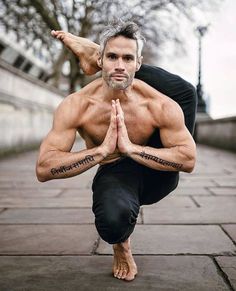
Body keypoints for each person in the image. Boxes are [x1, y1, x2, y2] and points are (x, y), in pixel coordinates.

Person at [36, 20, 197, 281]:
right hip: (115, 168)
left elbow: (188, 160)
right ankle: (121, 245)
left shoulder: (159, 104)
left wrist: (131, 149)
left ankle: (93, 52)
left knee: (186, 92)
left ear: (139, 64)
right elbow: (44, 168)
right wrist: (100, 152)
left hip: (158, 173)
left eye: (128, 58)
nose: (120, 64)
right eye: (111, 56)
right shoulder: (78, 105)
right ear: (102, 60)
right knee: (112, 223)